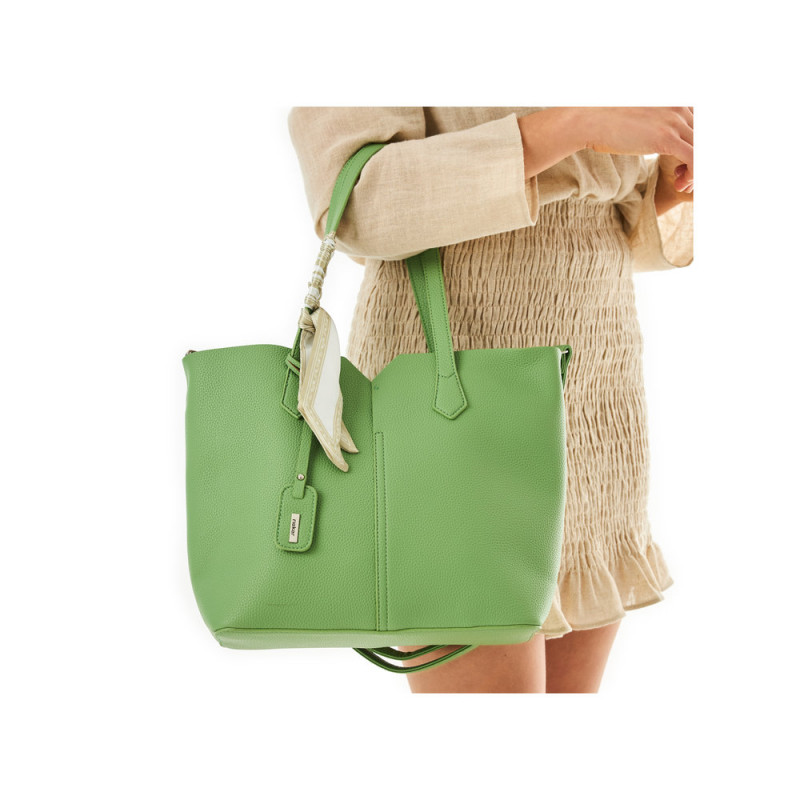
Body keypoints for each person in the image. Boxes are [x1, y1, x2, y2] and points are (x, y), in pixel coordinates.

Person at [287, 106, 694, 693]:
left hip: (594, 386)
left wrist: (666, 183)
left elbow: (604, 213)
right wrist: (576, 123)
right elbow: (355, 205)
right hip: (454, 375)